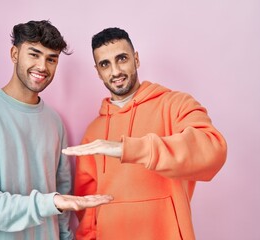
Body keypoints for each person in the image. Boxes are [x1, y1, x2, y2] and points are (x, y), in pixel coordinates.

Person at [0, 20, 113, 240]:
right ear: (14, 54)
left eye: (51, 59)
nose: (42, 67)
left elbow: (63, 196)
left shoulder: (54, 121)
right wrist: (48, 203)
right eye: (34, 54)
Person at [62, 27, 227, 240]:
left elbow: (212, 150)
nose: (115, 71)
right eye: (105, 64)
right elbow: (89, 208)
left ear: (136, 59)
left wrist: (127, 148)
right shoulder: (94, 132)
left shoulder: (175, 105)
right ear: (98, 71)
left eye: (122, 58)